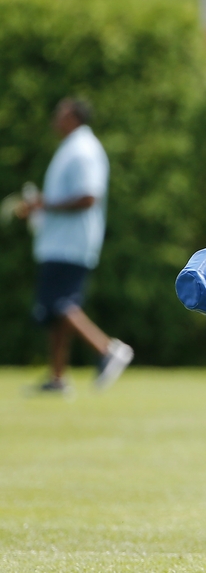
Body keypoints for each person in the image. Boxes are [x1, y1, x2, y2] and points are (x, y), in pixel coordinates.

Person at [16, 97, 134, 394]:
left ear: (74, 118)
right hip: (58, 242)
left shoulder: (83, 150)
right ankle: (57, 378)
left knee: (61, 303)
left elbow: (88, 197)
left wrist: (43, 205)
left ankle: (107, 348)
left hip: (70, 243)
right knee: (56, 310)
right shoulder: (72, 147)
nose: (55, 119)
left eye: (61, 114)